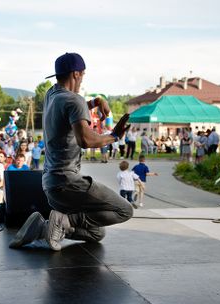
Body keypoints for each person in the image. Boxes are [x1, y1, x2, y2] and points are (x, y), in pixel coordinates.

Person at [9, 52, 132, 251]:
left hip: (50, 184)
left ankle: (44, 227)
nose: (83, 79)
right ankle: (62, 221)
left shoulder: (52, 94)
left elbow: (72, 107)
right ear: (76, 74)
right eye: (83, 75)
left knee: (96, 232)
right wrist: (114, 136)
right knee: (124, 210)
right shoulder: (74, 101)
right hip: (68, 182)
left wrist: (96, 101)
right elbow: (85, 140)